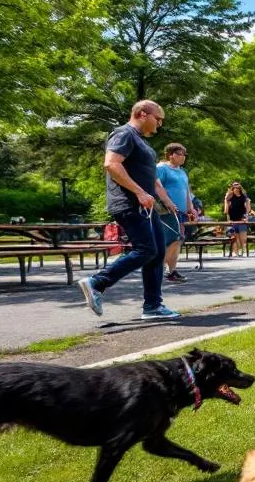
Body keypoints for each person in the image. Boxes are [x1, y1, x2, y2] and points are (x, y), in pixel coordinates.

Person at [77, 99, 181, 320]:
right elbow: (111, 164)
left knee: (157, 253)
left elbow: (152, 180)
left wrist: (166, 201)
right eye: (157, 118)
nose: (159, 124)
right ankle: (97, 282)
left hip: (147, 205)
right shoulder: (124, 134)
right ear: (143, 114)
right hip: (130, 203)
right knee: (146, 250)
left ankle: (153, 306)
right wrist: (139, 193)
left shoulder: (142, 143)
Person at [155, 143, 192, 284]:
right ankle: (157, 269)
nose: (184, 157)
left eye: (185, 155)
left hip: (180, 212)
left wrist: (191, 207)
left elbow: (186, 191)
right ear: (171, 155)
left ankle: (171, 271)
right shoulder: (162, 168)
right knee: (174, 238)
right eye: (181, 154)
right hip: (166, 210)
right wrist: (167, 203)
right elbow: (156, 187)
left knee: (177, 241)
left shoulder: (182, 171)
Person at [223, 182, 252, 257]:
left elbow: (248, 209)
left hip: (242, 219)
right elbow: (226, 211)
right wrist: (226, 198)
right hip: (232, 220)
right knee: (234, 238)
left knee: (243, 238)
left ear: (240, 188)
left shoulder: (244, 197)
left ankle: (244, 251)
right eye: (234, 187)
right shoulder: (229, 198)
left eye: (238, 187)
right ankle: (235, 252)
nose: (236, 189)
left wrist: (246, 217)